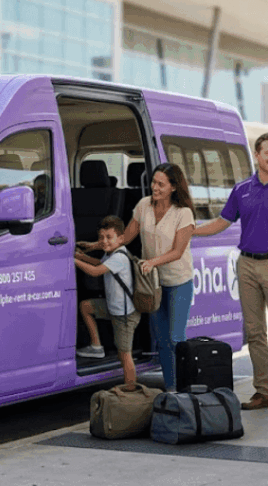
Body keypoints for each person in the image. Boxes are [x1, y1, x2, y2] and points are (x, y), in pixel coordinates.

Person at [192, 132, 268, 410]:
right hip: (246, 265)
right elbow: (222, 222)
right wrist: (192, 231)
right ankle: (263, 392)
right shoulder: (242, 189)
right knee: (255, 332)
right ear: (257, 155)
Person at [80, 163, 196, 392]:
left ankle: (184, 386)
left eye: (161, 184)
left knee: (175, 338)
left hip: (178, 282)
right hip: (151, 285)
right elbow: (125, 237)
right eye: (153, 182)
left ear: (173, 187)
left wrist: (152, 262)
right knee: (162, 340)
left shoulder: (183, 213)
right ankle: (171, 388)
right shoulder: (144, 205)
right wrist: (95, 245)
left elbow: (178, 251)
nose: (155, 187)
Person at [75, 216, 140, 389]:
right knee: (86, 306)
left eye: (109, 237)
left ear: (120, 238)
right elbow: (98, 262)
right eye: (101, 237)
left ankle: (131, 391)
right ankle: (96, 346)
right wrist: (81, 256)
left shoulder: (120, 256)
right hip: (112, 308)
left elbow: (97, 271)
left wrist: (73, 261)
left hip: (124, 316)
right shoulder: (111, 253)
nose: (104, 241)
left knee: (124, 355)